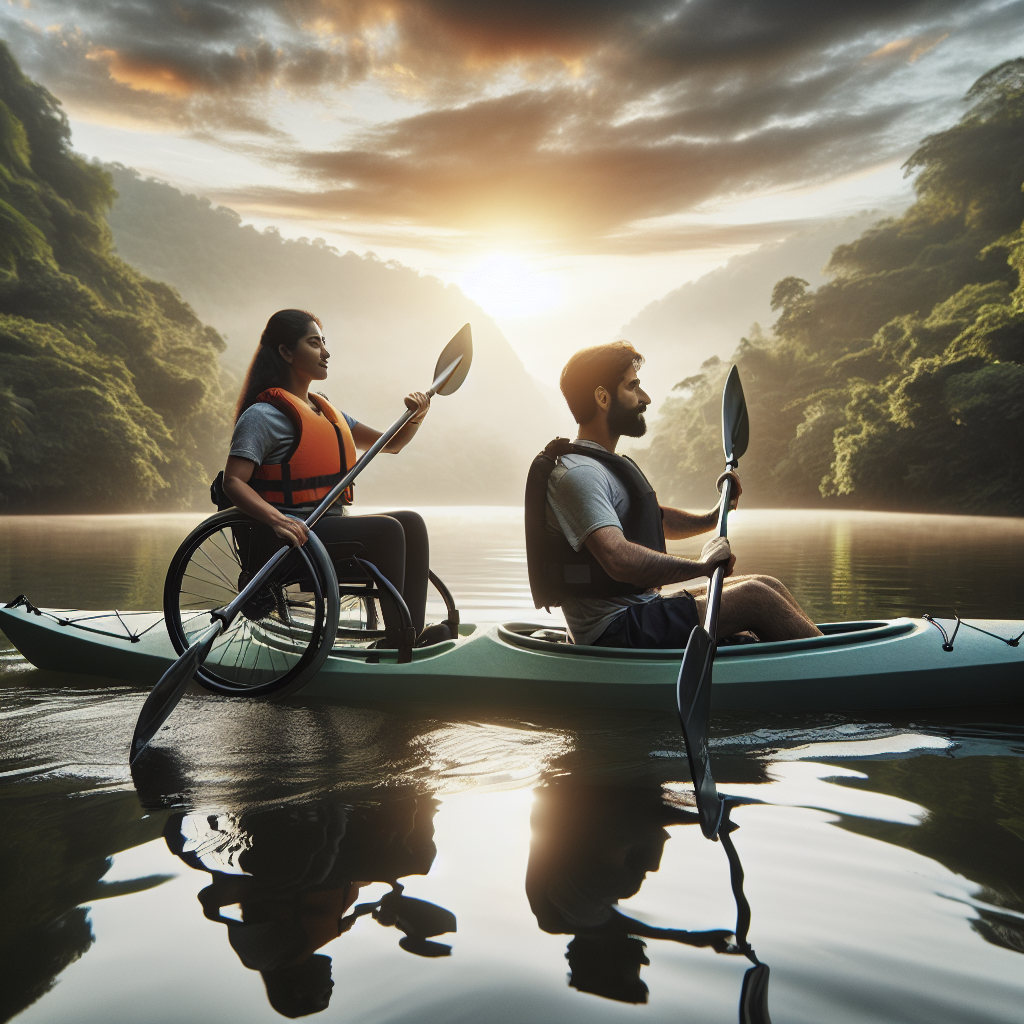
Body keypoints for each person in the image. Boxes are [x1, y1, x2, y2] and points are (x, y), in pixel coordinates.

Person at [525, 341, 821, 648]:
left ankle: (818, 656)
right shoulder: (579, 475)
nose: (645, 398)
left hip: (640, 611)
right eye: (633, 386)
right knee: (756, 599)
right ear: (602, 397)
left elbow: (656, 519)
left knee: (764, 584)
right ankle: (838, 668)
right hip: (614, 629)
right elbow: (618, 558)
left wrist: (715, 514)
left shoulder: (602, 465)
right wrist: (700, 566)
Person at [222, 308, 447, 644]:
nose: (325, 352)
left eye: (324, 343)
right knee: (388, 531)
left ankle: (409, 631)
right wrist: (278, 520)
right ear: (285, 352)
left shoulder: (327, 413)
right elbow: (233, 482)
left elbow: (393, 443)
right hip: (291, 542)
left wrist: (418, 414)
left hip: (328, 533)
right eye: (315, 343)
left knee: (411, 523)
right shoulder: (262, 416)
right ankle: (400, 637)